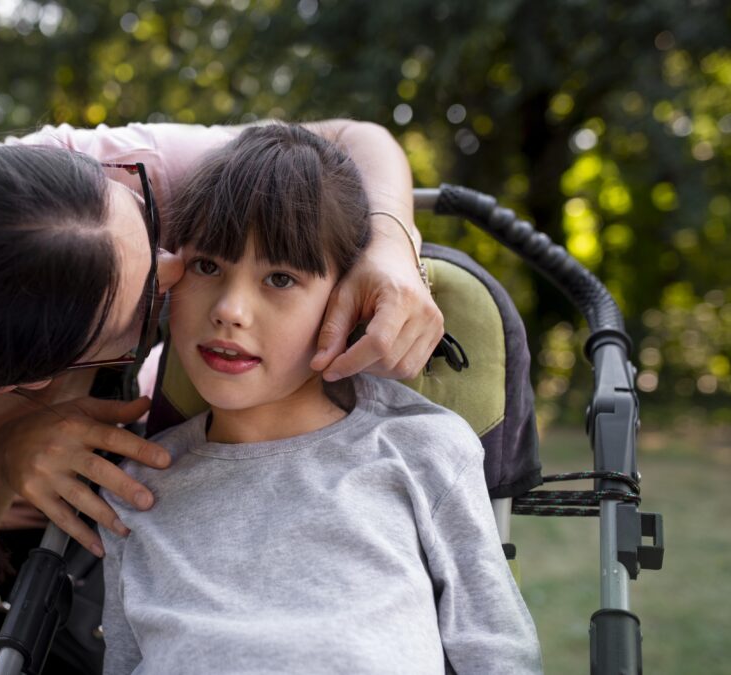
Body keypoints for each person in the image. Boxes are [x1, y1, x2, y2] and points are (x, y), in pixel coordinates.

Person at [0, 120, 443, 674]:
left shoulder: (117, 175)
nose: (179, 268)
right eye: (150, 297)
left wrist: (391, 242)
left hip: (122, 504)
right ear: (37, 380)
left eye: (150, 227)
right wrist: (4, 465)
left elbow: (353, 139)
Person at [99, 125, 542, 674]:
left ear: (348, 300)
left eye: (280, 279)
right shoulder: (134, 491)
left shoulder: (419, 449)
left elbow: (497, 652)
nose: (230, 310)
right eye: (207, 266)